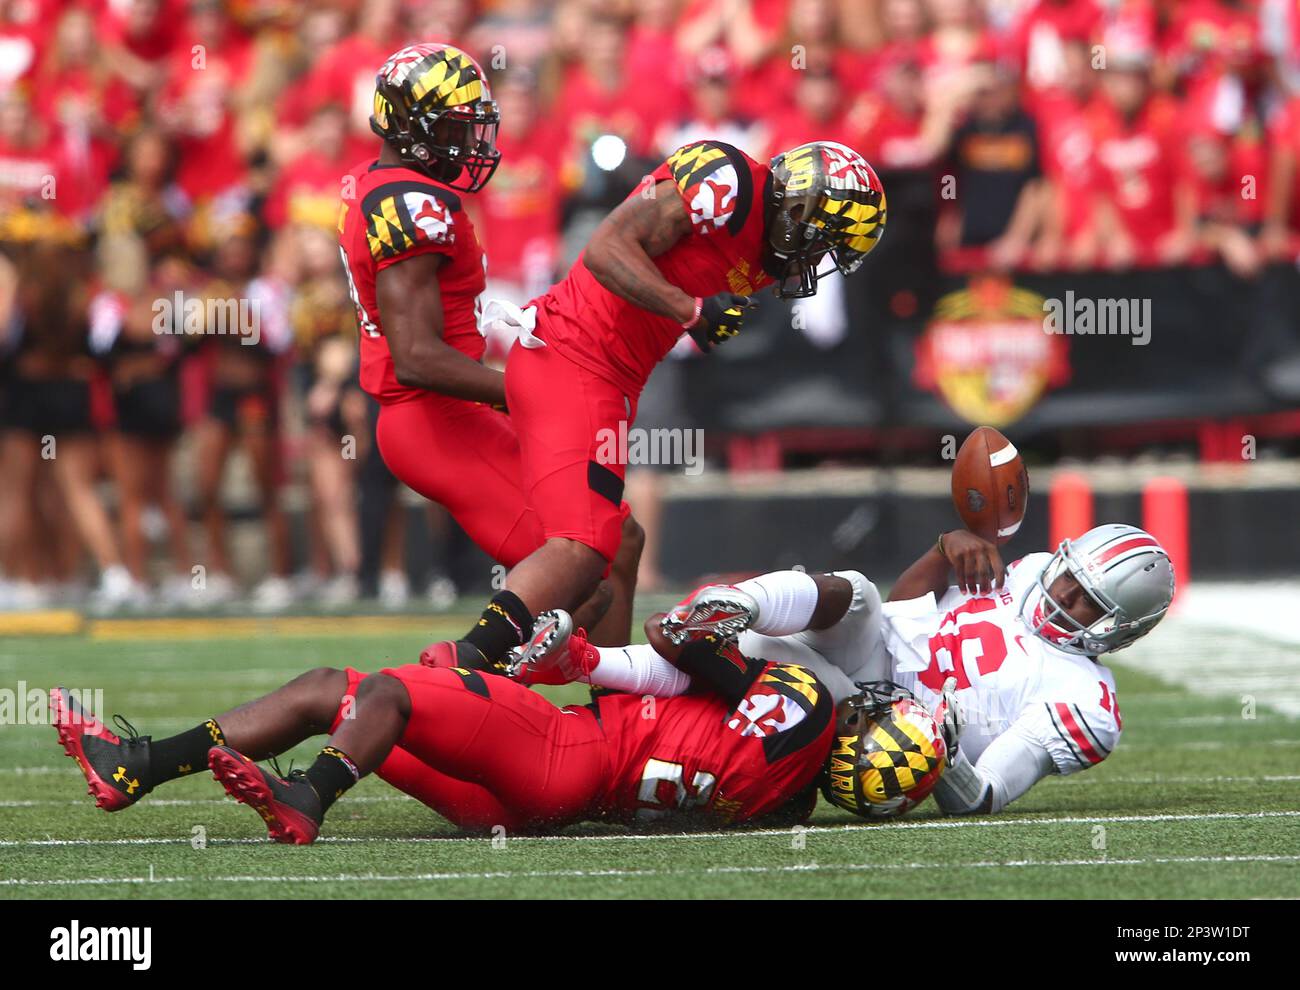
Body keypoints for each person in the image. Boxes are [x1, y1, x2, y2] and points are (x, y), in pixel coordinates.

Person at [427, 135, 888, 678]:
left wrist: (692, 309)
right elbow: (605, 250)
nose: (816, 260)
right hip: (573, 358)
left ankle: (612, 708)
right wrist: (690, 310)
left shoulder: (767, 252)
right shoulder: (731, 181)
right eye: (822, 242)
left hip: (609, 379)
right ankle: (462, 666)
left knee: (622, 546)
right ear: (802, 207)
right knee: (585, 545)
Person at [50, 615, 945, 839]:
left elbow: (681, 641)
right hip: (539, 809)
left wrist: (732, 609)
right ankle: (135, 764)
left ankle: (307, 798)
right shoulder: (788, 811)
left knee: (380, 692)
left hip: (561, 751)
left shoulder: (808, 705)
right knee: (349, 696)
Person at [516, 522, 1174, 817]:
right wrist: (944, 547)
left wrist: (942, 749)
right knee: (856, 591)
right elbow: (905, 608)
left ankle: (601, 660)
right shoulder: (1027, 571)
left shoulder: (1086, 702)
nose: (1060, 597)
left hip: (885, 733)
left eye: (1085, 600)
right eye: (1068, 578)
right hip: (873, 651)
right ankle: (732, 605)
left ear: (1118, 628)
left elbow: (982, 798)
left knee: (765, 673)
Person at [338, 41, 641, 646]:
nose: (472, 142)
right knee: (590, 563)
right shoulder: (408, 202)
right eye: (456, 126)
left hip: (450, 411)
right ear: (415, 129)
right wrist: (526, 391)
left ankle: (610, 710)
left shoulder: (393, 188)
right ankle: (466, 687)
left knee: (619, 539)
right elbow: (417, 357)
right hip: (431, 419)